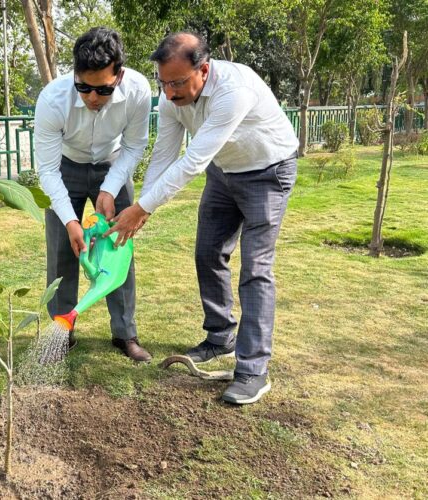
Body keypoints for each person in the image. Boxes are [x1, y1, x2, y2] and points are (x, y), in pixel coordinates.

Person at [108, 32, 298, 403]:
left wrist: (142, 207)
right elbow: (164, 154)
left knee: (256, 268)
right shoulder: (170, 101)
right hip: (225, 173)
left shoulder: (234, 89)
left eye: (177, 82)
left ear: (204, 69)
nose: (169, 92)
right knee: (208, 252)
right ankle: (220, 336)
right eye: (163, 82)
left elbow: (193, 160)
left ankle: (253, 370)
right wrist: (145, 205)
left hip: (268, 172)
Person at [34, 27, 152, 361]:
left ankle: (125, 333)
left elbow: (134, 146)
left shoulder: (139, 91)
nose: (92, 98)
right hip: (65, 167)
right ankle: (62, 333)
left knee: (118, 250)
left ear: (120, 75)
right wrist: (71, 221)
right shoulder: (52, 99)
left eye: (102, 89)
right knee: (62, 253)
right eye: (83, 87)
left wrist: (110, 188)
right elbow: (46, 170)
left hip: (113, 165)